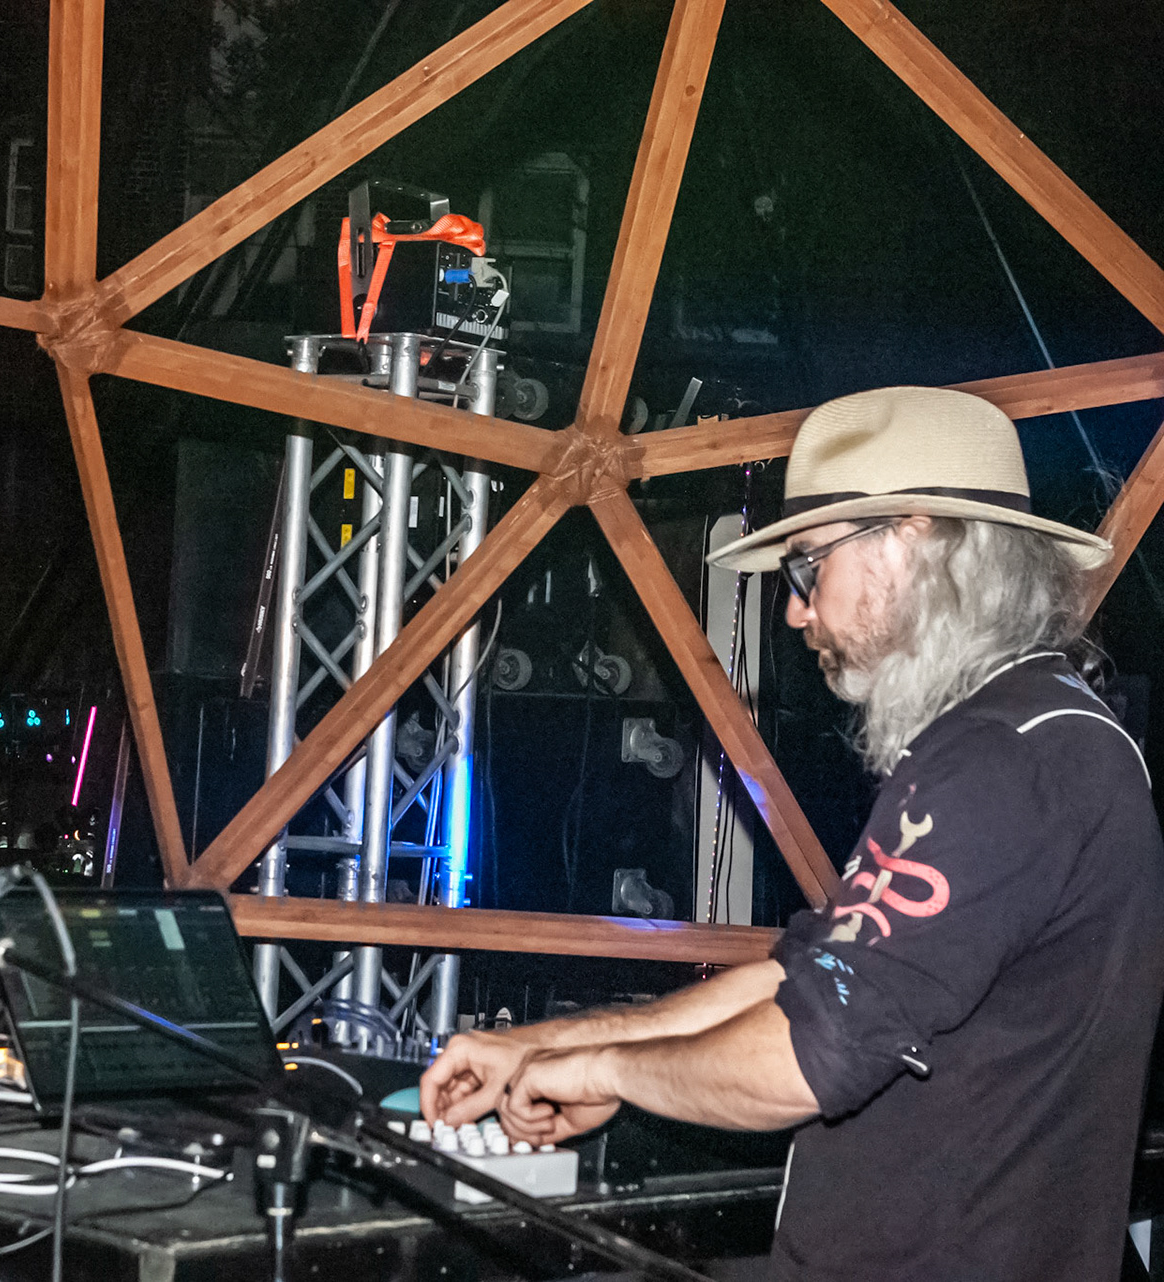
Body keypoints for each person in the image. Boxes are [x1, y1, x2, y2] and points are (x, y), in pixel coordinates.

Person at [420, 387, 1164, 1280]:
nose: (795, 613)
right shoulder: (1031, 732)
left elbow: (810, 1057)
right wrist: (553, 1045)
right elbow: (802, 978)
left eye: (808, 568)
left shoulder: (1004, 760)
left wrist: (605, 1073)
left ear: (911, 539)